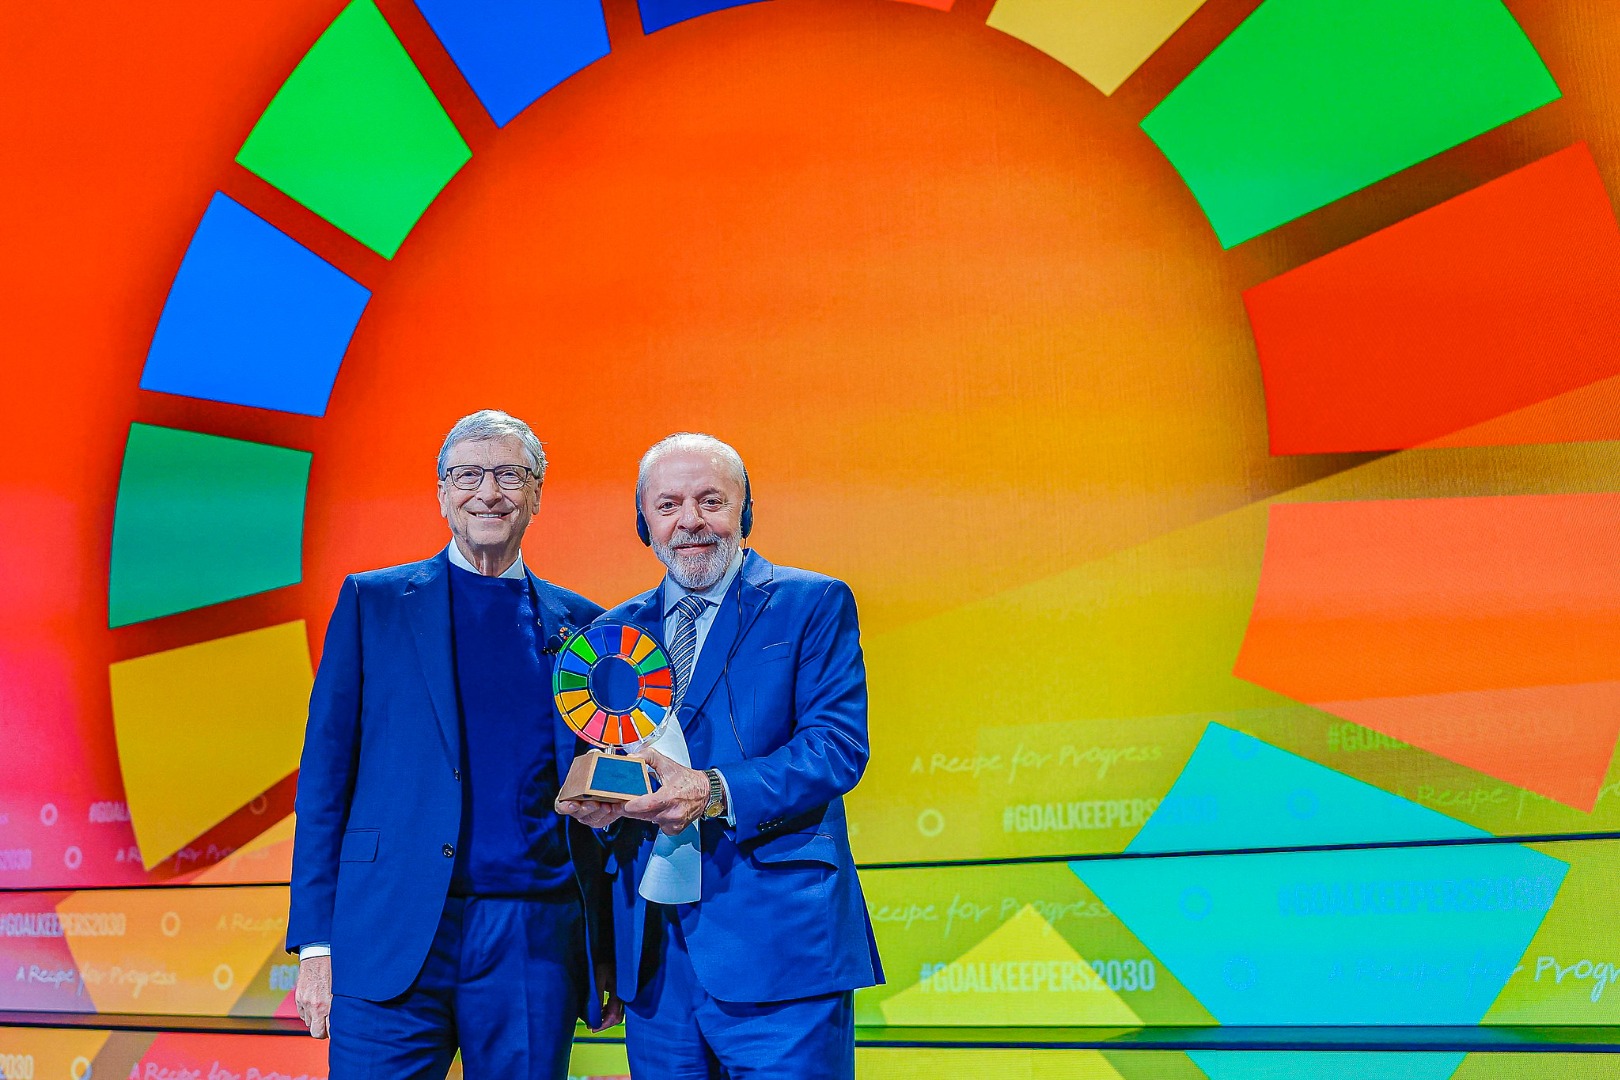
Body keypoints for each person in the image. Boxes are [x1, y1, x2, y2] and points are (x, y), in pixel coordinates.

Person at [286, 409, 621, 1079]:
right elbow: (325, 780)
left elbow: (604, 788)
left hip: (533, 936)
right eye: (468, 475)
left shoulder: (585, 627)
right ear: (442, 493)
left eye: (508, 475)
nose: (488, 493)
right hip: (389, 929)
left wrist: (605, 948)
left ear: (536, 494)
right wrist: (315, 944)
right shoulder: (372, 603)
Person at [559, 432, 883, 1079]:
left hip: (780, 947)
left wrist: (710, 790)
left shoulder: (811, 603)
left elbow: (837, 747)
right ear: (643, 521)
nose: (691, 522)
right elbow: (609, 754)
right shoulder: (611, 635)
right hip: (653, 956)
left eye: (711, 501)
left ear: (745, 512)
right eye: (669, 504)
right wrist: (597, 806)